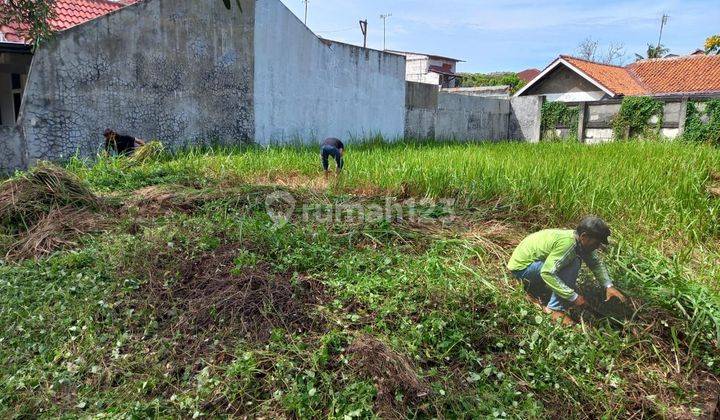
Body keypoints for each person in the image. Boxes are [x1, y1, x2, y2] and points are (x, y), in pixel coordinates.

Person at [507, 216, 626, 325]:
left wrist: (608, 285)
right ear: (584, 236)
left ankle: (549, 296)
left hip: (536, 266)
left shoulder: (580, 242)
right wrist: (573, 297)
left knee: (572, 261)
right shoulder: (568, 246)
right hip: (522, 269)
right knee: (573, 263)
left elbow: (595, 263)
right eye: (596, 243)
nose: (598, 246)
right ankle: (555, 309)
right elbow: (547, 272)